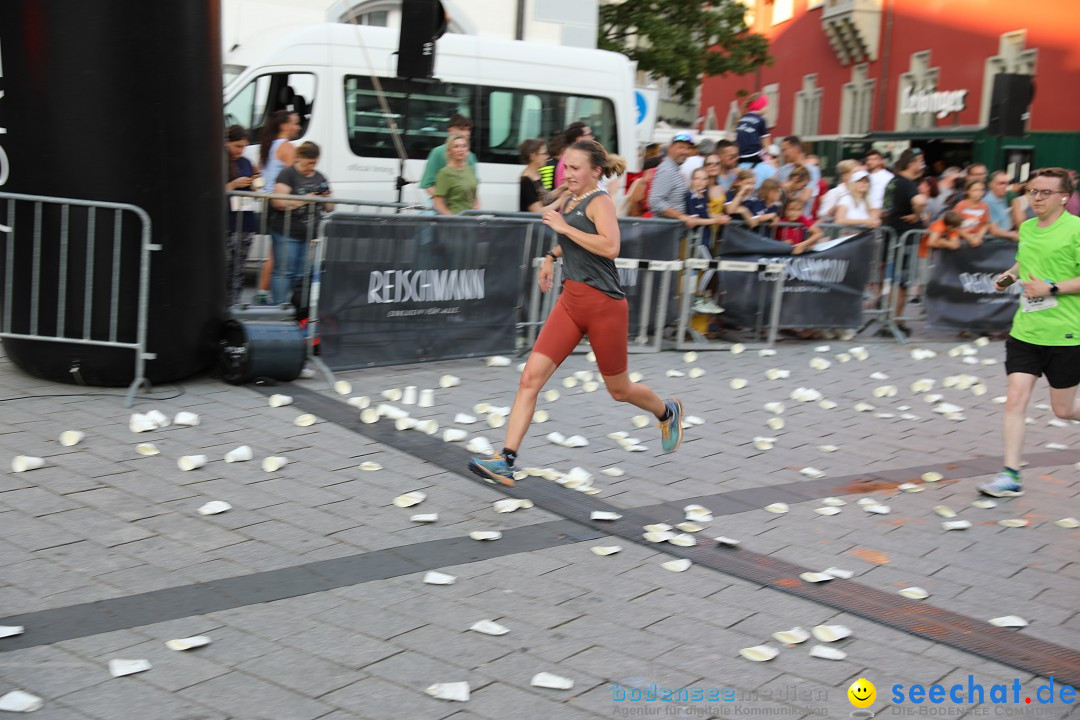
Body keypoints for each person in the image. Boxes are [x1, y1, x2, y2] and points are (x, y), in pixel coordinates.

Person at [467, 139, 685, 486]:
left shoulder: (601, 202)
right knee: (530, 379)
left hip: (604, 307)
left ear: (595, 172)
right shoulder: (571, 197)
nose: (567, 173)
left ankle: (666, 411)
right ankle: (505, 460)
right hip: (570, 302)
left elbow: (610, 246)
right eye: (566, 167)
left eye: (575, 168)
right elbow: (572, 237)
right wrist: (553, 257)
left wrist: (564, 228)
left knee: (619, 390)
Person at [980, 167, 1080, 498]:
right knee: (1015, 399)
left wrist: (1052, 288)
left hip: (1065, 333)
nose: (1036, 198)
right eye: (1032, 191)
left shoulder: (1076, 230)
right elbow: (1023, 263)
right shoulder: (1025, 227)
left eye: (1044, 193)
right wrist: (1007, 277)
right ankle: (1010, 475)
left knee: (1063, 410)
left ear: (1064, 197)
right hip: (1025, 330)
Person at [270, 141, 333, 304]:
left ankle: (297, 309)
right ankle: (280, 308)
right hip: (287, 232)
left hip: (310, 235)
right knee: (284, 272)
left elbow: (330, 208)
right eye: (309, 163)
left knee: (303, 274)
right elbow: (277, 202)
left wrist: (327, 198)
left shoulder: (320, 177)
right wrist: (304, 200)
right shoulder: (287, 174)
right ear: (299, 158)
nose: (311, 167)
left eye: (315, 163)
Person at [254, 110, 301, 304]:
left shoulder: (268, 146)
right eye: (295, 123)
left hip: (267, 202)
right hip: (280, 204)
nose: (298, 127)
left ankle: (263, 294)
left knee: (275, 253)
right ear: (284, 126)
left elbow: (258, 171)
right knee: (277, 255)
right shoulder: (286, 147)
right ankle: (264, 296)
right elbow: (294, 175)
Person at [881, 147, 926, 333]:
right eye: (920, 161)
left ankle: (890, 319)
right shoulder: (908, 184)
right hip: (903, 240)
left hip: (892, 236)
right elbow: (920, 201)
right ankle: (895, 321)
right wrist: (917, 215)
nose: (923, 165)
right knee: (901, 283)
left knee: (894, 281)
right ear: (911, 164)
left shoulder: (892, 181)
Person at [225, 125, 260, 308]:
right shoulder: (220, 160)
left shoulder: (246, 162)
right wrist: (234, 184)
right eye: (237, 146)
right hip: (227, 222)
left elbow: (255, 187)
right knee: (226, 267)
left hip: (245, 221)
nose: (240, 150)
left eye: (244, 146)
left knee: (239, 269)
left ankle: (234, 305)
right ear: (227, 142)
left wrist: (254, 184)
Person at [647, 134, 710, 228]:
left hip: (670, 232)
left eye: (688, 148)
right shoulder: (667, 170)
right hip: (663, 232)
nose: (685, 152)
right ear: (670, 148)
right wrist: (683, 217)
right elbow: (655, 202)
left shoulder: (674, 168)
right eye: (681, 147)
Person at [420, 114, 478, 201]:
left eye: (468, 129)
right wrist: (446, 204)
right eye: (461, 129)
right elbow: (427, 184)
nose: (466, 133)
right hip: (445, 209)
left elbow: (473, 187)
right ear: (450, 130)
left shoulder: (471, 156)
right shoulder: (438, 152)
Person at [433, 135, 479, 215]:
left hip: (472, 221)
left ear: (467, 150)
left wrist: (477, 206)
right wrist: (453, 219)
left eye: (464, 146)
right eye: (456, 146)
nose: (461, 150)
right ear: (449, 150)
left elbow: (474, 195)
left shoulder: (469, 169)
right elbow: (438, 204)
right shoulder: (445, 173)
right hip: (456, 222)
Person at [518, 138, 566, 213]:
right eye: (544, 153)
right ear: (533, 156)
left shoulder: (536, 175)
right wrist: (563, 199)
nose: (547, 156)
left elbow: (544, 198)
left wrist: (563, 187)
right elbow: (538, 211)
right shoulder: (527, 180)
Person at [776, 137, 821, 217]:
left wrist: (788, 187)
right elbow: (775, 195)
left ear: (797, 149)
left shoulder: (813, 170)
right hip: (784, 221)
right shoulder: (783, 170)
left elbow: (805, 198)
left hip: (803, 222)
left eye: (785, 150)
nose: (783, 154)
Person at [735, 93, 771, 167]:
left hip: (741, 156)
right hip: (754, 155)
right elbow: (765, 141)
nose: (767, 108)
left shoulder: (742, 119)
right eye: (765, 105)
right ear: (760, 106)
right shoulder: (761, 120)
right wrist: (769, 154)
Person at [554, 122, 593, 188]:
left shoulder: (570, 157)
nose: (592, 138)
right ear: (579, 139)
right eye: (589, 134)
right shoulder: (570, 160)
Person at [953, 178, 990, 248]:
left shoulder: (984, 206)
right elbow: (954, 226)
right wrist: (969, 237)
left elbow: (985, 224)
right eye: (975, 190)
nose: (979, 193)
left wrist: (979, 237)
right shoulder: (961, 205)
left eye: (981, 190)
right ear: (968, 191)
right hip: (961, 240)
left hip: (976, 239)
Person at [985, 170, 1019, 242]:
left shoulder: (1002, 197)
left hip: (1005, 241)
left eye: (1007, 183)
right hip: (994, 244)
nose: (1005, 186)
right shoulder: (989, 201)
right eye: (1001, 183)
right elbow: (994, 231)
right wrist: (1013, 234)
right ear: (991, 185)